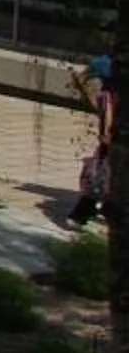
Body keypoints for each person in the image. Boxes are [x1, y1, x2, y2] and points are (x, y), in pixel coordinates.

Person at [75, 53, 116, 228]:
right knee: (102, 176)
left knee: (103, 176)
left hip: (112, 137)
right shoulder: (107, 67)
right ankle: (83, 213)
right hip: (112, 139)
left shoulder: (106, 66)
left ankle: (92, 210)